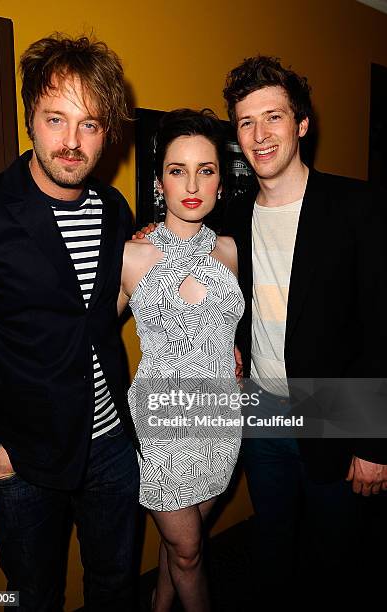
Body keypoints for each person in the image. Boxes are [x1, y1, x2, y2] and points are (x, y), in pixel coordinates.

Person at [0, 34, 140, 611]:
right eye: (56, 119)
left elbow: (98, 312)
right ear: (30, 117)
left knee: (114, 583)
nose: (71, 142)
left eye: (89, 124)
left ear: (106, 131)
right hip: (23, 456)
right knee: (32, 596)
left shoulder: (113, 209)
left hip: (111, 443)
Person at [222, 56, 387, 602]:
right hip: (264, 414)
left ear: (301, 124)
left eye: (273, 117)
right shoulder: (234, 217)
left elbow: (380, 330)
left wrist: (374, 444)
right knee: (270, 549)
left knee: (335, 561)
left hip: (336, 417)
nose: (260, 134)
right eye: (246, 122)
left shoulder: (357, 206)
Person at [119, 109, 244, 612]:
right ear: (158, 182)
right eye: (177, 170)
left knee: (179, 547)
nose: (192, 183)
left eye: (206, 170)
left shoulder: (233, 250)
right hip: (163, 425)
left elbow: (246, 324)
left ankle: (158, 602)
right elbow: (86, 338)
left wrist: (234, 351)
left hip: (220, 421)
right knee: (190, 550)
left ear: (220, 180)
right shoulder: (131, 255)